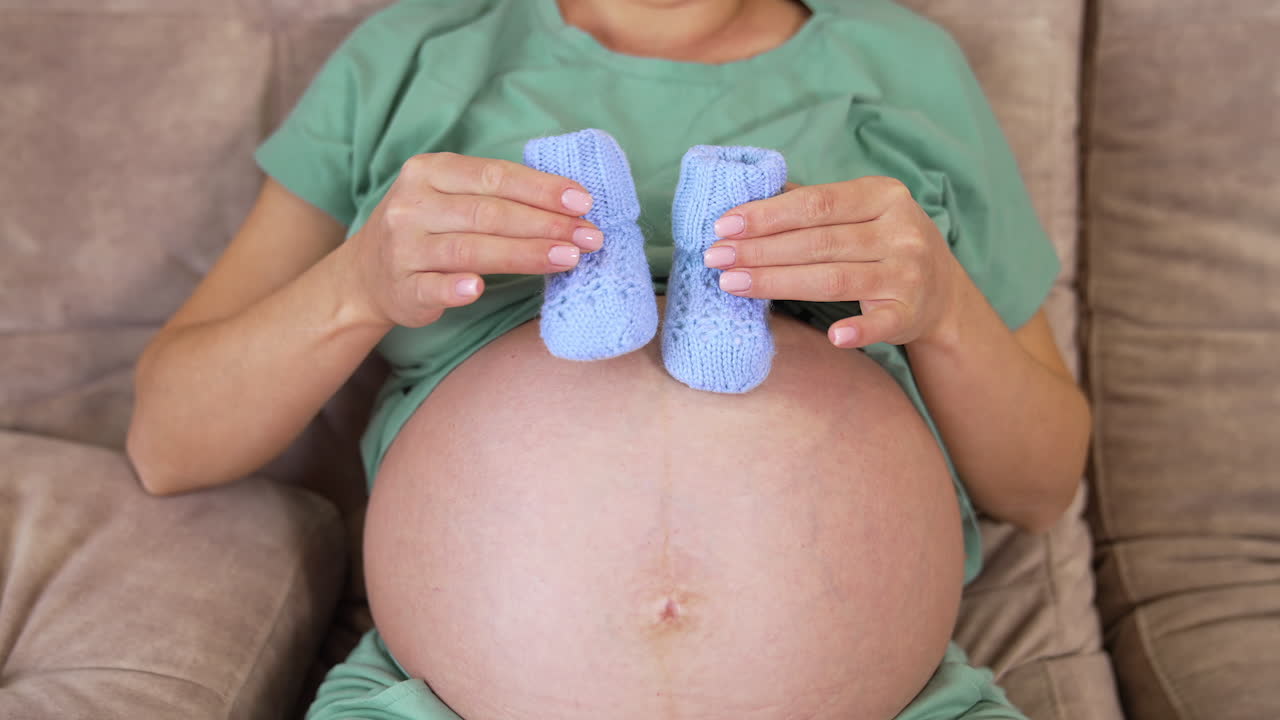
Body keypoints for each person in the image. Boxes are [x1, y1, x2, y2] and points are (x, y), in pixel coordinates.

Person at [125, 0, 1091, 717]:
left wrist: (946, 310)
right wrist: (359, 284)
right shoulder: (415, 51)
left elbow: (1042, 488)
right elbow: (169, 441)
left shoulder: (904, 63)